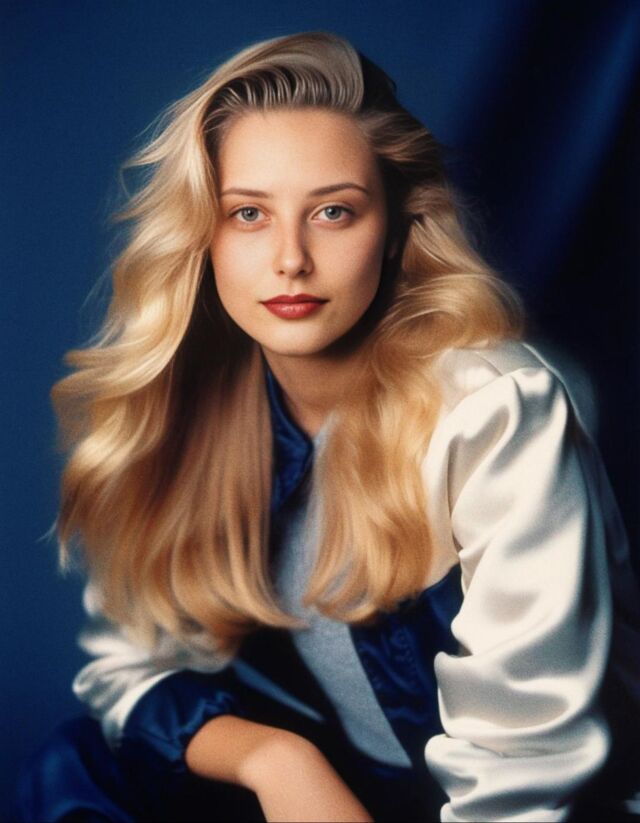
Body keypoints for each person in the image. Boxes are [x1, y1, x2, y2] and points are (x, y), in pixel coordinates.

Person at [16, 30, 640, 823]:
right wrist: (276, 760)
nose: (291, 258)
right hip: (358, 791)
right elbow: (126, 666)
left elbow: (528, 776)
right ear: (203, 237)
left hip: (521, 805)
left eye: (333, 212)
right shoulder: (195, 408)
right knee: (74, 769)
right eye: (248, 213)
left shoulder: (494, 409)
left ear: (398, 227)